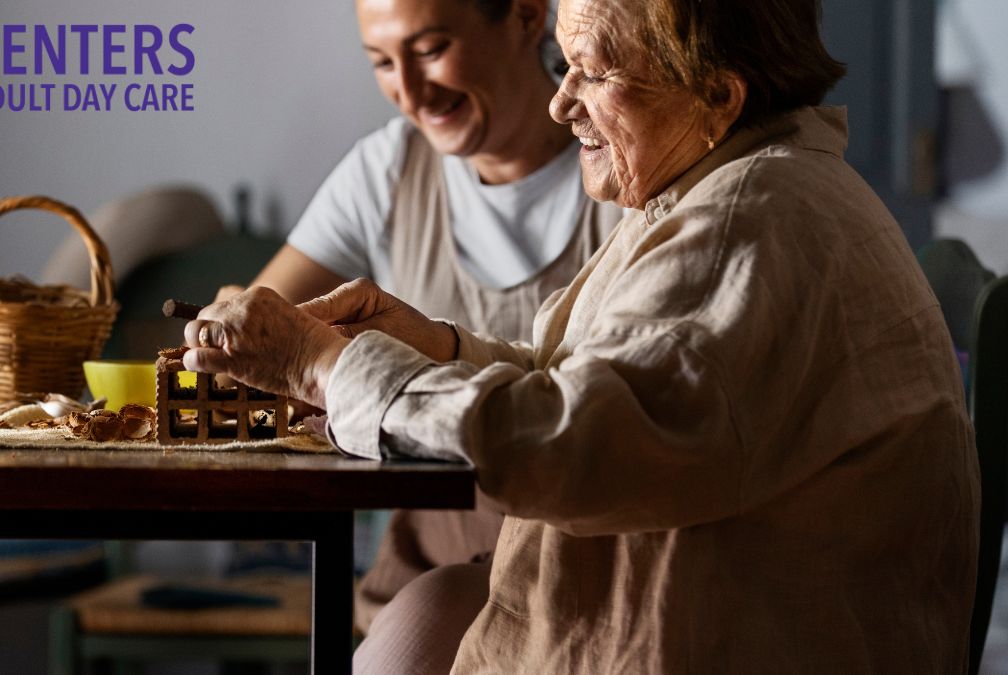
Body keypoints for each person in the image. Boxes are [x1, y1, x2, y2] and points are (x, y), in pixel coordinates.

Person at [184, 0, 979, 671]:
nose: (564, 104)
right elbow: (611, 381)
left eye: (594, 73)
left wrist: (321, 364)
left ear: (717, 96)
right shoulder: (728, 189)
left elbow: (575, 443)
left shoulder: (746, 224)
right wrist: (438, 346)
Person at [227, 0, 623, 632]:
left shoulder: (629, 162)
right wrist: (242, 325)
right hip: (427, 567)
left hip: (597, 569)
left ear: (524, 16)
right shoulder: (386, 171)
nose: (408, 92)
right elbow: (261, 316)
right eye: (382, 63)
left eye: (431, 49)